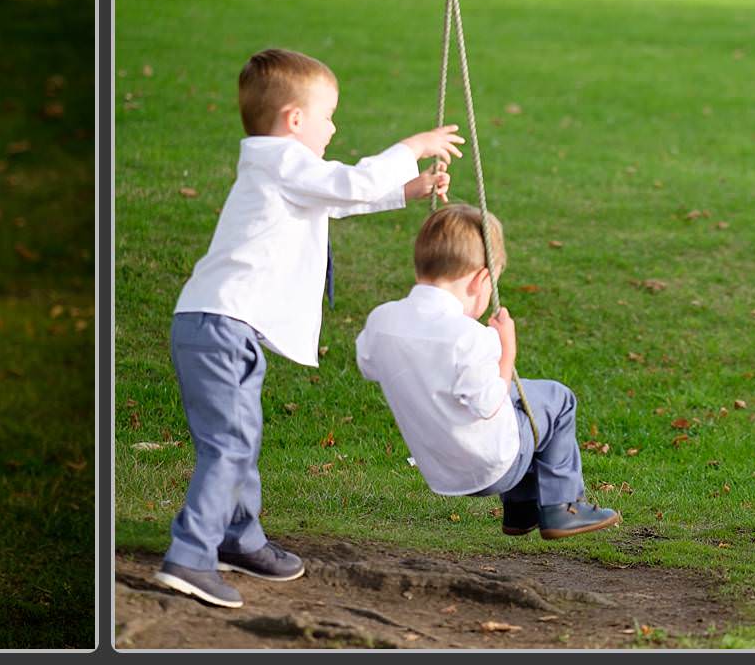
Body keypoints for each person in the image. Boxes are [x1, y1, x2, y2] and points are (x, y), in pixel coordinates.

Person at [157, 48, 461, 610]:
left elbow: (334, 200)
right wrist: (410, 150)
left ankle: (237, 539)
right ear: (294, 119)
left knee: (239, 440)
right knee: (227, 445)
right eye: (328, 116)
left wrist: (405, 192)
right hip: (219, 323)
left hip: (227, 326)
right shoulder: (277, 160)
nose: (333, 127)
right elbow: (346, 183)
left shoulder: (284, 172)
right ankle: (190, 556)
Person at [355, 201, 619, 540]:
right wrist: (506, 348)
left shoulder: (382, 320)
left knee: (526, 396)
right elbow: (489, 404)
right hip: (490, 469)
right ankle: (561, 507)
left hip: (438, 468)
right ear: (482, 279)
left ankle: (522, 511)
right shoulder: (472, 338)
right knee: (557, 398)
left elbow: (368, 365)